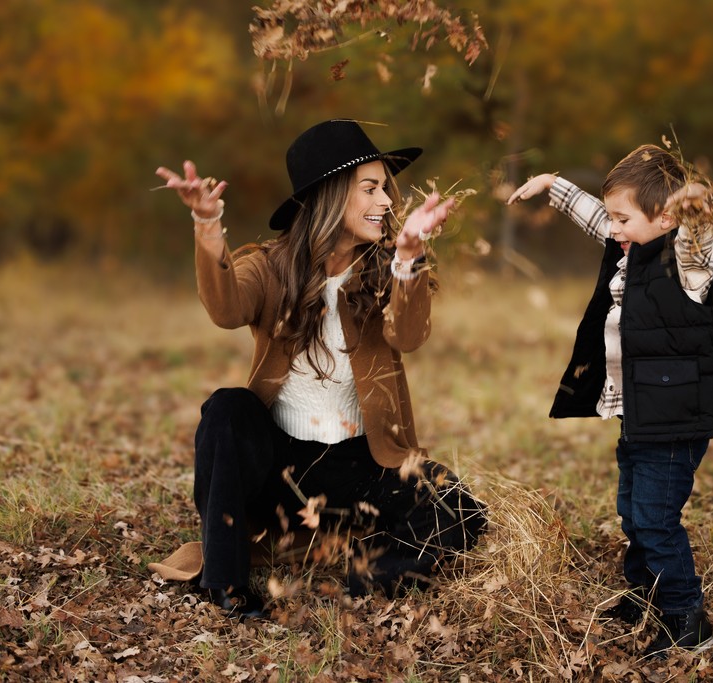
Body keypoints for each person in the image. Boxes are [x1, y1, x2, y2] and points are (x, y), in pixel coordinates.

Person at [150, 119, 487, 619]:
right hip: (279, 469)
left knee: (458, 509)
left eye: (386, 189)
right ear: (330, 196)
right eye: (369, 189)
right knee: (227, 409)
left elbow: (408, 336)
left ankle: (366, 577)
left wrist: (409, 261)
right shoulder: (271, 265)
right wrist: (207, 226)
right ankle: (226, 584)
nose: (387, 202)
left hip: (359, 467)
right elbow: (226, 310)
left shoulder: (386, 268)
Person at [507, 145, 713, 658]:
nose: (614, 228)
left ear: (666, 218)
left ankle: (686, 616)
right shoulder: (631, 245)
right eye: (614, 218)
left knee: (655, 517)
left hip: (673, 421)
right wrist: (551, 185)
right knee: (633, 510)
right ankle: (645, 591)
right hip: (641, 416)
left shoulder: (685, 265)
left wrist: (697, 211)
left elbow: (697, 241)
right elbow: (598, 219)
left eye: (623, 219)